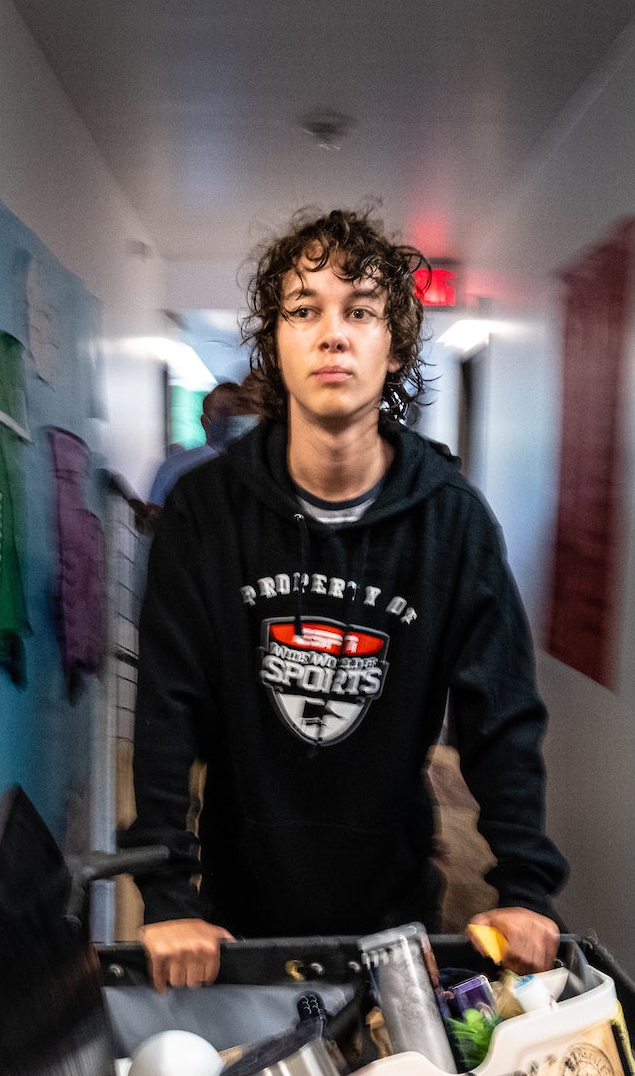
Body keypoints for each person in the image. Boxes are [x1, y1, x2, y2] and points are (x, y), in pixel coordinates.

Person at [130, 207, 566, 990]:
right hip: (237, 905)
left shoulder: (451, 521)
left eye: (360, 310)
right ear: (276, 343)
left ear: (393, 346)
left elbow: (500, 716)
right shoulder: (204, 513)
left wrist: (524, 890)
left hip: (393, 899)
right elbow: (167, 713)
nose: (333, 333)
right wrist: (167, 894)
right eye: (305, 310)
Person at [147, 379, 260, 505]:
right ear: (205, 422)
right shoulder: (173, 469)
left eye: (238, 410)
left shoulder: (257, 466)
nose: (232, 416)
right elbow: (155, 514)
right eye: (223, 411)